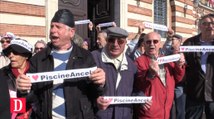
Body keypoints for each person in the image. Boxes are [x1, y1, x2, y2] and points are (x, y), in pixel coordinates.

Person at [16, 9, 106, 119]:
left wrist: (100, 83)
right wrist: (23, 90)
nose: (53, 30)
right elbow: (28, 98)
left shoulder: (86, 56)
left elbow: (94, 93)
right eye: (52, 26)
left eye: (58, 27)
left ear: (71, 32)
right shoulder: (38, 59)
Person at [134, 32, 186, 119]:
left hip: (166, 110)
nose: (152, 44)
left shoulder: (167, 59)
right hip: (149, 112)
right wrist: (150, 73)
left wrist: (179, 65)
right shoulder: (139, 61)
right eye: (148, 42)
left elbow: (178, 79)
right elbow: (138, 83)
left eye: (155, 41)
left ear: (160, 44)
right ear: (144, 44)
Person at [183, 13, 214, 119]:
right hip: (194, 92)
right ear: (200, 26)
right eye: (206, 23)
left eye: (213, 23)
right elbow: (182, 65)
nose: (210, 26)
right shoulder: (190, 43)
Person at [0, 38, 33, 119]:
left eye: (15, 52)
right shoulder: (2, 74)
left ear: (26, 55)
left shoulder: (36, 73)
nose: (11, 55)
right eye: (9, 52)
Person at [167, 34, 186, 119]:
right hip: (169, 85)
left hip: (179, 85)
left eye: (173, 39)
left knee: (180, 109)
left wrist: (182, 63)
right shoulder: (168, 53)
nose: (171, 41)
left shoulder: (185, 53)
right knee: (169, 108)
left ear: (179, 41)